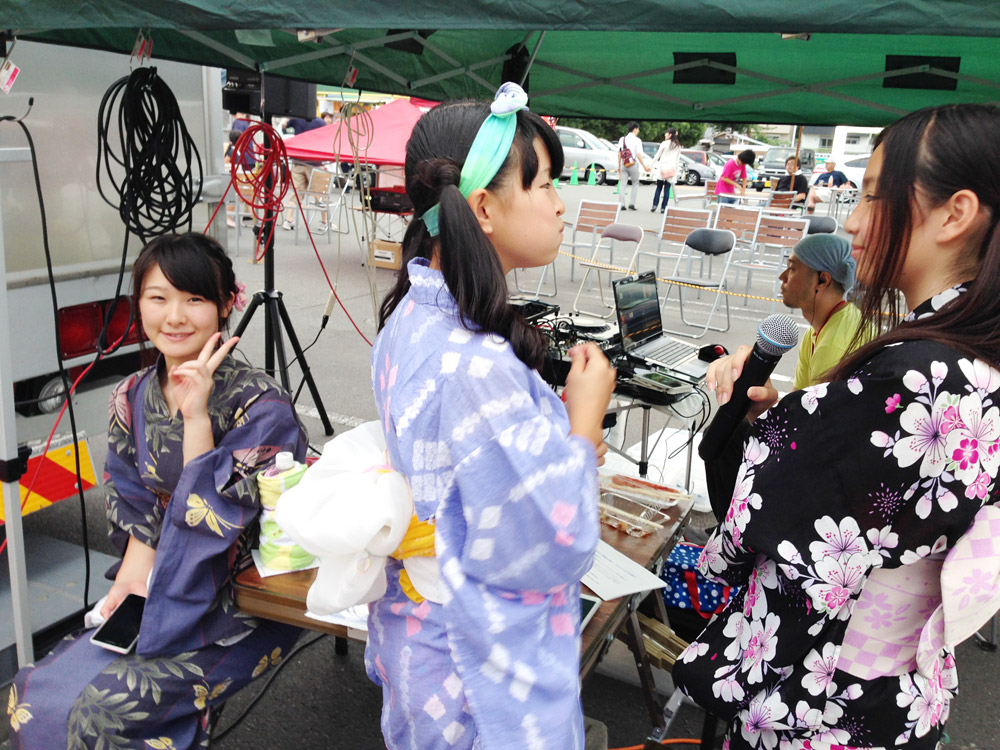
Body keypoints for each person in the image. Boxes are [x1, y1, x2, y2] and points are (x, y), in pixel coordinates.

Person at [673, 103, 1000, 749]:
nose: (852, 220)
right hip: (897, 691)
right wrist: (798, 423)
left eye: (873, 196)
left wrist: (785, 432)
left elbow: (760, 517)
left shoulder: (914, 375)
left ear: (954, 214)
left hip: (828, 704)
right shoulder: (970, 357)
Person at [370, 82, 616, 749]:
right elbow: (550, 539)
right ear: (482, 207)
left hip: (424, 636)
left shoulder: (410, 318)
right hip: (477, 668)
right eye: (544, 184)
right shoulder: (476, 363)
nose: (561, 205)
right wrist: (583, 425)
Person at [9, 233, 307, 749]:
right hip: (160, 584)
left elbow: (208, 521)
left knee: (98, 717)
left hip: (238, 597)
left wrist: (196, 418)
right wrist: (128, 590)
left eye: (194, 299)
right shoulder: (130, 395)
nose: (174, 317)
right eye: (158, 298)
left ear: (226, 305)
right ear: (139, 304)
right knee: (31, 699)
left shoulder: (262, 406)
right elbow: (137, 507)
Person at [777, 233, 864, 389]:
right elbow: (799, 397)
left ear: (823, 280)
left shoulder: (833, 346)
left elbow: (814, 405)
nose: (782, 277)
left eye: (792, 269)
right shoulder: (816, 331)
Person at [617, 120, 650, 210]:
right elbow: (638, 155)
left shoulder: (622, 139)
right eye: (638, 129)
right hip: (633, 165)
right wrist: (644, 166)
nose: (638, 131)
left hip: (624, 164)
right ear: (635, 129)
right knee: (635, 183)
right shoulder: (637, 140)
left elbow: (619, 154)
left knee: (623, 184)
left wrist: (619, 167)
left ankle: (622, 204)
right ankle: (632, 204)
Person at [651, 127, 681, 213]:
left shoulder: (664, 143)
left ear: (670, 134)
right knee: (667, 189)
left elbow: (657, 155)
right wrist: (676, 171)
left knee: (659, 187)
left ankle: (654, 205)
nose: (665, 134)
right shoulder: (678, 146)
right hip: (671, 170)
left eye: (666, 133)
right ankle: (663, 208)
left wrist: (650, 165)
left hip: (662, 168)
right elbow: (677, 160)